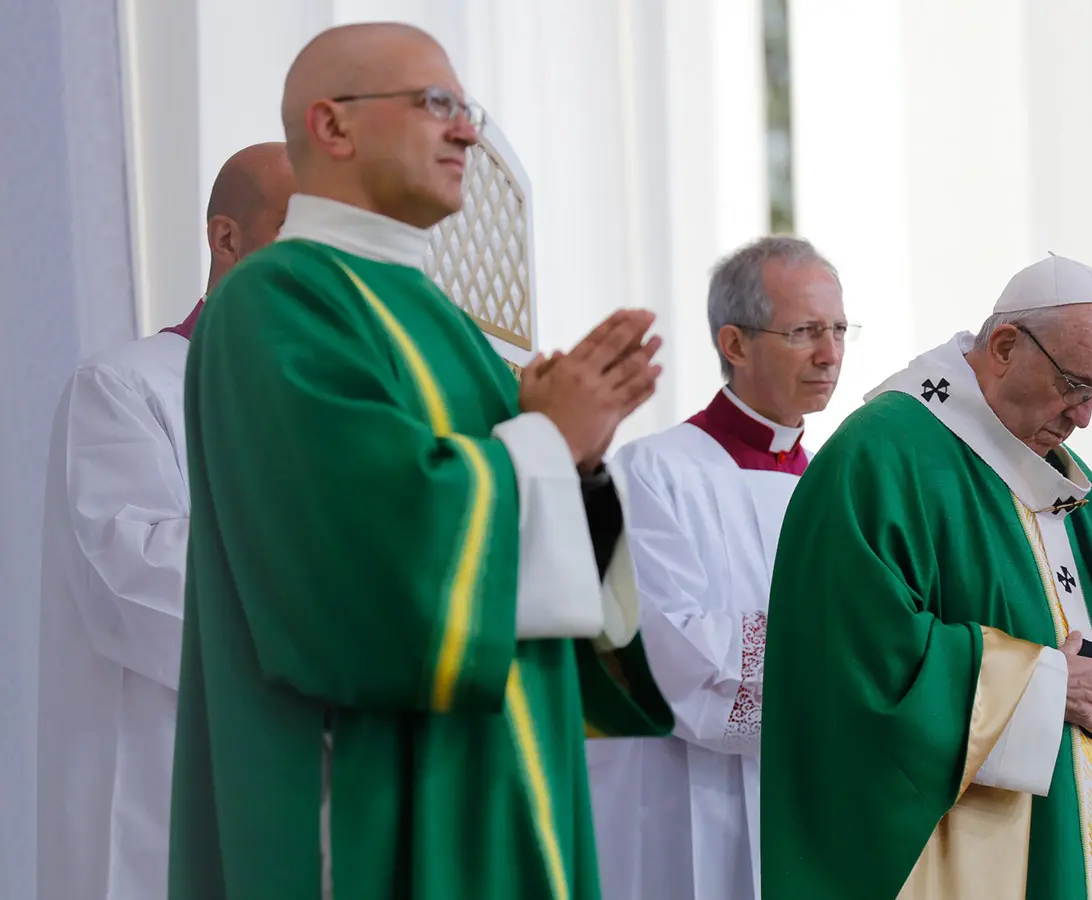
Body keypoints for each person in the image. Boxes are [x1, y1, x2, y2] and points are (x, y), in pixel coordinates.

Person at [167, 23, 674, 900]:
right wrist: (549, 439)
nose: (469, 133)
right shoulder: (282, 298)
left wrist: (580, 461)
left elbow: (520, 528)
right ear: (333, 127)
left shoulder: (439, 318)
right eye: (436, 104)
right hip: (373, 797)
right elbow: (366, 558)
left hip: (498, 780)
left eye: (466, 109)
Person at [761, 253, 1092, 900]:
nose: (1084, 416)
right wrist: (1037, 689)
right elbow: (849, 668)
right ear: (1006, 346)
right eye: (1074, 383)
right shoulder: (882, 461)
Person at [36, 141, 293, 900]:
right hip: (160, 816)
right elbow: (141, 589)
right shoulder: (125, 388)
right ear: (226, 239)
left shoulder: (351, 411)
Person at [587, 235, 849, 900]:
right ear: (734, 344)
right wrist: (841, 664)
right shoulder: (654, 473)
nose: (830, 354)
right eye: (806, 332)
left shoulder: (836, 491)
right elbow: (673, 652)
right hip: (683, 803)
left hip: (806, 803)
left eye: (840, 330)